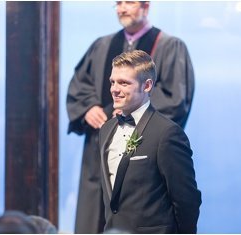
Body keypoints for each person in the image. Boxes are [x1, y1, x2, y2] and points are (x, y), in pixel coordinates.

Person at [66, 1, 195, 233]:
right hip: (101, 141)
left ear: (146, 6)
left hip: (144, 151)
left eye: (129, 2)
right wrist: (88, 108)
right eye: (118, 3)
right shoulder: (102, 45)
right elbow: (79, 85)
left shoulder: (170, 46)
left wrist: (132, 111)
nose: (122, 8)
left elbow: (176, 97)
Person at [99, 50, 201, 233]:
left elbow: (187, 199)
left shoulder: (167, 133)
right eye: (112, 82)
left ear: (146, 86)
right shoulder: (106, 130)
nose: (114, 89)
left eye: (123, 83)